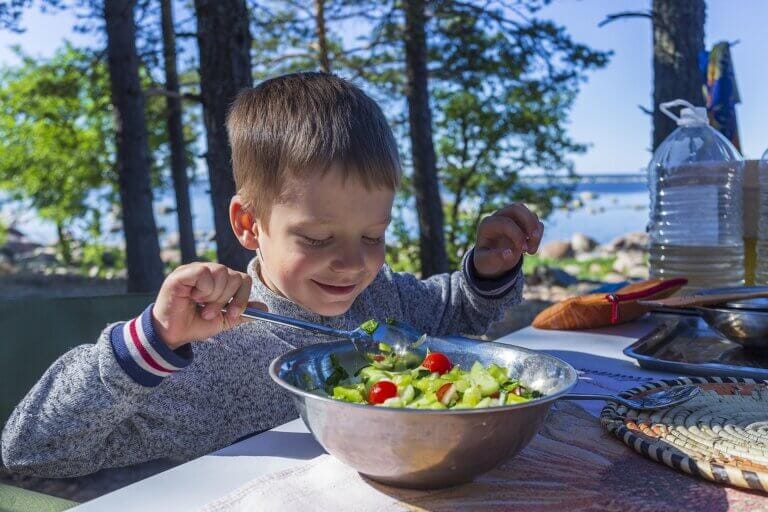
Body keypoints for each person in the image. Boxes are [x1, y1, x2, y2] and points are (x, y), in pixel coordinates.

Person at [1, 72, 543, 477]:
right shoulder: (205, 355)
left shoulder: (384, 303)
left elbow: (458, 313)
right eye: (317, 239)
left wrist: (487, 271)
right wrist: (154, 342)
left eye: (373, 236)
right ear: (249, 224)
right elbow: (32, 450)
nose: (354, 263)